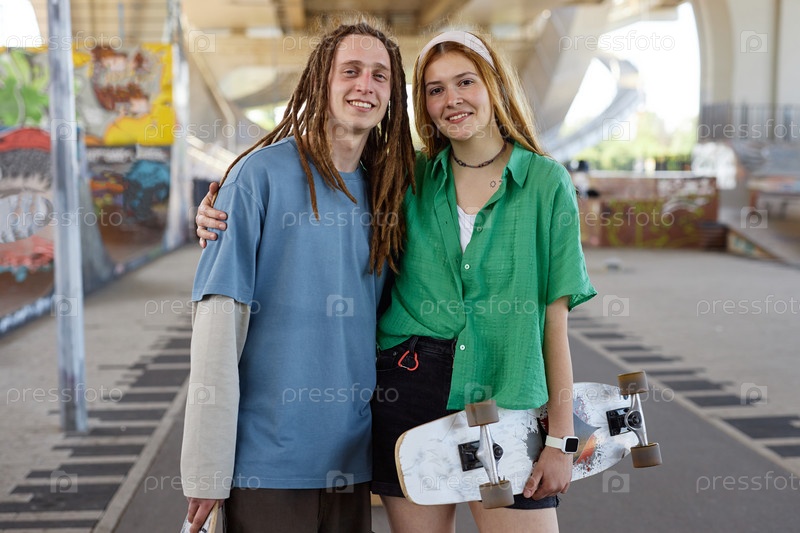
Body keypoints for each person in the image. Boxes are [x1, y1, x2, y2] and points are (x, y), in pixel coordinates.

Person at [197, 30, 596, 533]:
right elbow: (332, 188)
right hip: (408, 393)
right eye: (434, 89)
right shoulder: (406, 178)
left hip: (509, 396)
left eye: (465, 82)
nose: (451, 99)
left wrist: (561, 439)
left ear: (494, 85)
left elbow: (553, 321)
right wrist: (219, 214)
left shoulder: (546, 183)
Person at [181, 20, 414, 533]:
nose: (366, 85)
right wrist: (205, 466)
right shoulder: (257, 177)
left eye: (380, 75)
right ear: (320, 81)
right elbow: (217, 327)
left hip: (350, 461)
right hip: (267, 464)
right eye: (350, 71)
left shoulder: (390, 191)